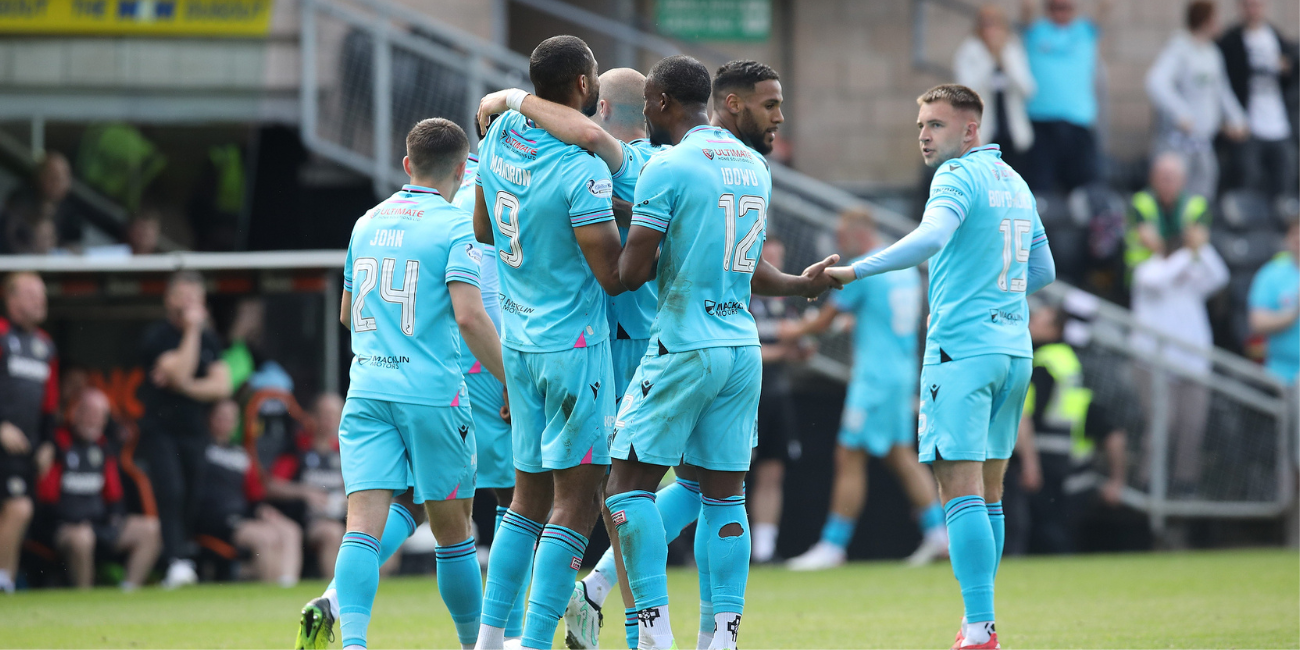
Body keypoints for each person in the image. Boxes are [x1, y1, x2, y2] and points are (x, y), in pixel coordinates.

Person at [605, 54, 839, 650]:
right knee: (723, 495)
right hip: (742, 348)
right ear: (723, 102)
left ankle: (653, 634)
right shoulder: (754, 169)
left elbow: (627, 274)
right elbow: (748, 267)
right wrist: (800, 285)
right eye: (773, 104)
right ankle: (722, 638)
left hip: (684, 345)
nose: (780, 117)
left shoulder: (670, 166)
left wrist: (596, 219)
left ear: (658, 103)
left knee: (626, 490)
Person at [826, 83, 1056, 649]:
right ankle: (980, 619)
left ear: (970, 130)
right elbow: (1044, 270)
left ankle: (979, 629)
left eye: (936, 124)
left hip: (961, 353)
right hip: (1013, 352)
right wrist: (994, 292)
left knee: (960, 491)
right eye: (921, 125)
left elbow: (930, 238)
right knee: (990, 494)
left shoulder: (956, 176)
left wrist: (855, 271)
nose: (925, 135)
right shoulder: (1016, 182)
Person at [474, 65, 675, 650]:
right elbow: (615, 272)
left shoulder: (516, 152)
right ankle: (631, 626)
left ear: (601, 109)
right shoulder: (606, 168)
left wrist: (509, 104)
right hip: (605, 345)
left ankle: (514, 629)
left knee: (543, 498)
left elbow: (487, 231)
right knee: (636, 495)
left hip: (542, 342)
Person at [333, 117, 506, 650]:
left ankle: (355, 642)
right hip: (432, 393)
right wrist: (513, 380)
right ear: (462, 169)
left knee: (361, 527)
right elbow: (471, 318)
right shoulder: (456, 225)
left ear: (407, 164)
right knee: (454, 533)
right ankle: (473, 642)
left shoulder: (366, 222)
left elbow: (346, 314)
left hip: (366, 391)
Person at [784, 207, 949, 571]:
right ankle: (939, 535)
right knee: (899, 454)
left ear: (859, 235)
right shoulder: (901, 267)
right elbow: (867, 317)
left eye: (843, 239)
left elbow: (827, 317)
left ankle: (833, 545)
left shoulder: (865, 268)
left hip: (873, 379)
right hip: (901, 372)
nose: (841, 247)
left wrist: (790, 332)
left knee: (849, 455)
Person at [1006, 304, 1128, 554]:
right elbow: (1113, 432)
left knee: (1042, 531)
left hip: (1043, 456)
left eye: (1038, 319)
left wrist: (1030, 462)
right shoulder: (1069, 362)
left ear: (1055, 330)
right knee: (1057, 530)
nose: (1030, 324)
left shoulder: (1043, 362)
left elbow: (1024, 414)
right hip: (1068, 460)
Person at [136, 271, 231, 589]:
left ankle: (181, 558)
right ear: (170, 299)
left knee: (192, 493)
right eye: (185, 296)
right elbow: (182, 369)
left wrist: (184, 384)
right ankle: (176, 562)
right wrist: (192, 331)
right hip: (161, 431)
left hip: (194, 431)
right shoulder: (157, 336)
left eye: (196, 298)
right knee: (171, 491)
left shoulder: (210, 340)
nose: (191, 304)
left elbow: (221, 385)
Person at [1130, 220, 1228, 498]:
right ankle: (1149, 482)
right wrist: (1187, 250)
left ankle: (1185, 484)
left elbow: (1220, 276)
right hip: (1153, 365)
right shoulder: (1148, 270)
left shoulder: (1191, 275)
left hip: (1193, 366)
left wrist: (1203, 248)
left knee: (1192, 427)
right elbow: (1159, 279)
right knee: (1164, 423)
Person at [33, 388, 161, 590]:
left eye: (100, 416)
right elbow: (45, 499)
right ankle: (86, 596)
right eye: (89, 413)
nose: (94, 421)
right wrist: (74, 522)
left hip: (97, 525)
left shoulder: (103, 448)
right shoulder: (57, 444)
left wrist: (114, 517)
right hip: (62, 527)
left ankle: (128, 592)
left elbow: (114, 495)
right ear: (75, 414)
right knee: (82, 537)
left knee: (150, 529)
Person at [1146, 1, 1249, 201]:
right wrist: (1180, 112)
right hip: (1178, 142)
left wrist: (1238, 119)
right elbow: (1155, 82)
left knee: (1203, 196)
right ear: (1206, 21)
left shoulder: (1212, 53)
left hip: (1203, 142)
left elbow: (1221, 92)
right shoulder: (1179, 49)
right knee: (1172, 194)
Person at [195, 399, 302, 585]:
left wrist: (262, 510)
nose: (225, 422)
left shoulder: (241, 453)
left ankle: (286, 586)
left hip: (242, 515)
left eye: (230, 418)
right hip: (215, 518)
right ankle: (271, 593)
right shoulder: (199, 449)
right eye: (220, 417)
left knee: (290, 530)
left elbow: (254, 492)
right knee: (266, 537)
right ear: (209, 419)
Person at [748, 239, 806, 566]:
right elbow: (751, 348)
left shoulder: (785, 302)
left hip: (778, 394)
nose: (775, 264)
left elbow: (795, 337)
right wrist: (783, 351)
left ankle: (764, 551)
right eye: (770, 256)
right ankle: (717, 548)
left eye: (779, 258)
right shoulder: (741, 294)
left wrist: (799, 351)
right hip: (749, 394)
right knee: (731, 473)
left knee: (772, 472)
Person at [0, 272, 58, 593]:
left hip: (23, 450)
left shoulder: (44, 346)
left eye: (43, 294)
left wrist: (48, 443)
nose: (41, 300)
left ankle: (5, 580)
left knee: (19, 508)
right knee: (18, 507)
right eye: (32, 294)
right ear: (11, 298)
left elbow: (49, 403)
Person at [1018, 0, 1113, 193]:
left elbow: (1105, 8)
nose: (1060, 13)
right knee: (1039, 185)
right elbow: (1026, 10)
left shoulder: (1085, 31)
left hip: (1078, 120)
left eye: (1066, 8)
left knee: (1084, 186)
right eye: (1055, 7)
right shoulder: (1036, 31)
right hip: (1040, 119)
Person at [1218, 0, 1299, 199]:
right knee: (1248, 177)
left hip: (1278, 123)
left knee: (1286, 174)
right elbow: (1222, 85)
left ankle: (1284, 224)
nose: (1253, 10)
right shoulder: (1231, 41)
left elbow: (1291, 76)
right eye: (1248, 5)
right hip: (1248, 124)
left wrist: (1287, 70)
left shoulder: (1275, 37)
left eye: (1257, 5)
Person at [269, 394, 347, 581]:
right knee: (332, 533)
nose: (330, 420)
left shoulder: (347, 450)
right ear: (313, 416)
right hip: (305, 520)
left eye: (335, 414)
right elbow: (272, 485)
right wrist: (304, 492)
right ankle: (336, 596)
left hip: (344, 517)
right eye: (325, 414)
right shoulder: (298, 447)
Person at [954, 4, 1036, 172]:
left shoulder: (1012, 50)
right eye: (986, 24)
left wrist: (1005, 61)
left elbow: (1028, 89)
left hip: (1012, 134)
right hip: (983, 135)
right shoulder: (969, 52)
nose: (991, 30)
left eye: (995, 23)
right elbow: (966, 93)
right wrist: (990, 59)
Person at [1125, 153, 1211, 276]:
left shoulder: (1196, 204)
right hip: (1145, 275)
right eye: (1163, 178)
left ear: (1183, 180)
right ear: (1152, 178)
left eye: (1172, 178)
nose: (1167, 183)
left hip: (1184, 275)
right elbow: (1153, 243)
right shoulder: (1141, 202)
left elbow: (1198, 241)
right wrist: (1182, 243)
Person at [1248, 217, 1299, 386]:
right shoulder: (1271, 274)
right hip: (1280, 376)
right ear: (1287, 238)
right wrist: (1292, 314)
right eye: (1295, 233)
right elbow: (1257, 322)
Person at [2, 153, 84, 253]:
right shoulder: (20, 201)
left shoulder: (69, 210)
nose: (58, 183)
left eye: (63, 178)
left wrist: (63, 248)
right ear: (40, 176)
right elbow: (9, 240)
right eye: (53, 177)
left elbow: (75, 244)